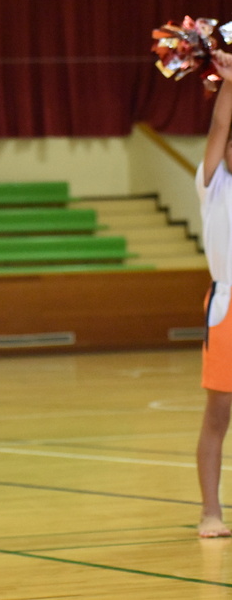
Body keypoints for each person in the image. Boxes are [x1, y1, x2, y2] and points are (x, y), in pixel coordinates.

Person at [196, 48, 232, 538]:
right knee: (219, 412)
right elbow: (218, 128)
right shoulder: (213, 186)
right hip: (227, 309)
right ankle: (211, 512)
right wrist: (228, 82)